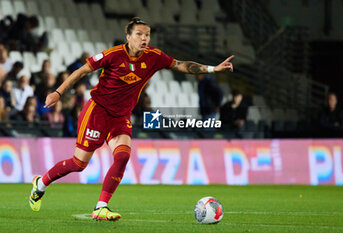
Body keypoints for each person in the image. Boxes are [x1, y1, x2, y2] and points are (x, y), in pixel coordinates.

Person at [28, 17, 234, 221]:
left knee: (123, 156)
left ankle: (101, 207)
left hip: (121, 116)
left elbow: (181, 65)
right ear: (128, 36)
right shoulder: (113, 55)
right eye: (139, 34)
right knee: (78, 164)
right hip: (97, 112)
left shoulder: (154, 56)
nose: (144, 39)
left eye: (147, 35)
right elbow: (81, 71)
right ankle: (41, 183)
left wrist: (212, 69)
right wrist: (58, 92)